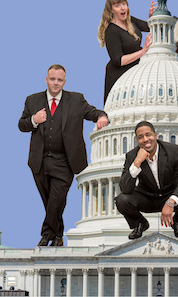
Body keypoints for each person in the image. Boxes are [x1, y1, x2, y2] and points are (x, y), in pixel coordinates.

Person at [18, 64, 108, 247]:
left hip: (65, 161)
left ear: (64, 81)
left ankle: (46, 236)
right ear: (46, 79)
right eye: (52, 79)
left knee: (57, 199)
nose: (56, 83)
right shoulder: (32, 100)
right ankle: (57, 236)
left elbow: (93, 112)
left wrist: (102, 117)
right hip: (40, 160)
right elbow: (22, 124)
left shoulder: (76, 100)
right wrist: (34, 120)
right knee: (50, 201)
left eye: (60, 80)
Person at [115, 121, 178, 240]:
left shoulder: (173, 151)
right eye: (140, 137)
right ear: (137, 140)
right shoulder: (132, 156)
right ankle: (140, 223)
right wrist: (137, 162)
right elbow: (125, 188)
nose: (145, 139)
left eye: (148, 135)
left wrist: (171, 202)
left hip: (169, 194)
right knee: (122, 200)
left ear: (155, 135)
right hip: (147, 197)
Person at [98, 0, 155, 104]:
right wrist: (143, 51)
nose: (123, 8)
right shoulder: (111, 31)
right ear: (111, 10)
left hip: (135, 69)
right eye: (118, 5)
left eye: (124, 4)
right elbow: (118, 60)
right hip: (119, 75)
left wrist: (151, 17)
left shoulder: (130, 20)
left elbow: (148, 26)